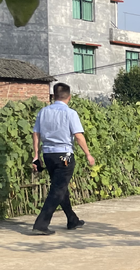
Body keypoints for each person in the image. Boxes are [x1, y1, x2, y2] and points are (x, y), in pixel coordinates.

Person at [31, 82, 95, 235]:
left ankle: (72, 220)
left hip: (48, 155)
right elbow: (78, 136)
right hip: (64, 155)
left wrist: (35, 156)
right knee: (58, 189)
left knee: (61, 187)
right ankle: (41, 224)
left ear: (53, 96)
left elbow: (36, 134)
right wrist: (88, 154)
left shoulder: (43, 112)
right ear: (69, 97)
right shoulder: (70, 113)